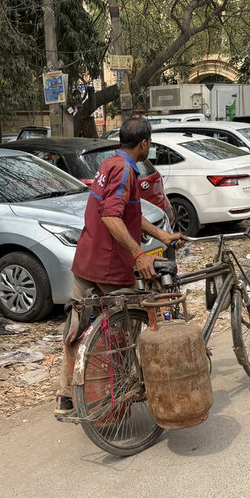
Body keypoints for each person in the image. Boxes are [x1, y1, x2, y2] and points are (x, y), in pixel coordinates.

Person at [55, 117, 186, 416]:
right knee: (132, 326)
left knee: (77, 330)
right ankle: (123, 391)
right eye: (149, 144)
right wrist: (139, 255)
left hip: (86, 261)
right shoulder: (126, 171)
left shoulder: (110, 164)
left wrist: (163, 235)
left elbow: (126, 213)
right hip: (110, 268)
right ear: (144, 143)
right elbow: (111, 217)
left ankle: (66, 397)